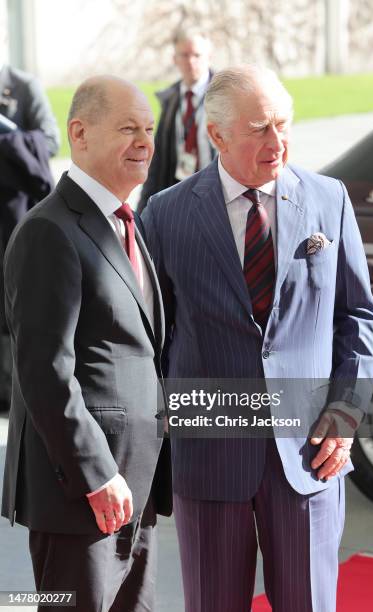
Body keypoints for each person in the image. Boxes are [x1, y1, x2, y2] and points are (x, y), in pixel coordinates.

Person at [142, 65, 373, 612]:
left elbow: (359, 318)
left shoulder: (329, 199)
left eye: (283, 124)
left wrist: (345, 414)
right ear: (218, 136)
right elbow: (152, 338)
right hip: (210, 454)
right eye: (260, 128)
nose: (278, 142)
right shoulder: (168, 214)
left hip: (311, 452)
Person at [1, 75, 171, 612]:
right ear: (79, 133)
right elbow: (45, 372)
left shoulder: (127, 223)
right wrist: (97, 476)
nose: (145, 141)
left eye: (148, 129)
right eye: (128, 129)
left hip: (135, 491)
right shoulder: (49, 230)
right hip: (84, 496)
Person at [0, 63, 60, 413]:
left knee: (19, 302)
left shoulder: (24, 87)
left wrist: (9, 141)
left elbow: (51, 140)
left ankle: (21, 393)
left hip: (17, 216)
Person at [137, 29, 216, 213]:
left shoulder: (226, 95)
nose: (191, 61)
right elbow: (158, 161)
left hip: (217, 194)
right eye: (184, 55)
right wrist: (143, 211)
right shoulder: (170, 100)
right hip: (181, 194)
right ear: (175, 59)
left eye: (197, 55)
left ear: (209, 57)